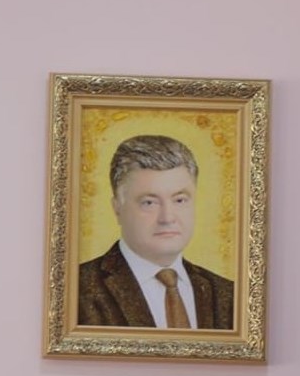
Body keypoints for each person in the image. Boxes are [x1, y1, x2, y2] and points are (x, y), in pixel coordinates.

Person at [78, 135, 234, 330]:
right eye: (149, 202)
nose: (167, 218)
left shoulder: (229, 294)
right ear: (117, 208)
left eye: (179, 200)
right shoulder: (77, 290)